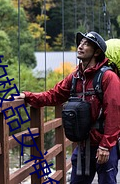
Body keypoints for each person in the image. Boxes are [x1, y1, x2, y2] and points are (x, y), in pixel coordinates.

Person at [12, 31, 120, 184]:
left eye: (86, 44)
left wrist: (106, 146)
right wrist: (27, 96)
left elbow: (114, 113)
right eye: (80, 43)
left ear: (96, 52)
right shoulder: (75, 77)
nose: (80, 46)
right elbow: (54, 95)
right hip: (83, 145)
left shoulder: (109, 78)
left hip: (103, 146)